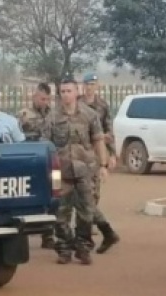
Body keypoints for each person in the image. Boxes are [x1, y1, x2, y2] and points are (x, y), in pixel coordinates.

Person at [43, 74, 109, 265]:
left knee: (86, 211)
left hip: (85, 170)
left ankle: (83, 247)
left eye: (69, 91)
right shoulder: (52, 117)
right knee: (59, 211)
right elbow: (46, 145)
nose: (66, 95)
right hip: (59, 171)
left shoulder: (90, 115)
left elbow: (98, 141)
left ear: (77, 91)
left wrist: (103, 165)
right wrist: (48, 171)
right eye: (62, 91)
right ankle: (64, 248)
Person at [75, 72, 120, 254]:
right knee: (80, 195)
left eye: (93, 84)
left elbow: (109, 129)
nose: (89, 87)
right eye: (87, 84)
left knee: (91, 194)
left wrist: (111, 154)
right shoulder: (76, 104)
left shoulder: (102, 105)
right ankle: (89, 230)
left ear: (97, 86)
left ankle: (88, 231)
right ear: (82, 86)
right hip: (78, 155)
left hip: (95, 155)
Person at [17, 82, 55, 249]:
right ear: (34, 96)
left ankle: (48, 236)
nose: (44, 102)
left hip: (50, 160)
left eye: (47, 99)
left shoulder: (53, 114)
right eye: (42, 98)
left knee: (53, 197)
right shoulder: (24, 114)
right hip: (32, 162)